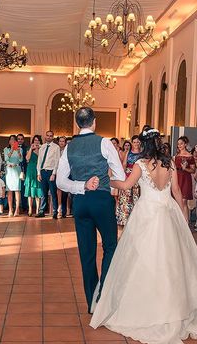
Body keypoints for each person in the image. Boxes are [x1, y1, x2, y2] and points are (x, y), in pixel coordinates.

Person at [90, 128, 197, 344]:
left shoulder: (141, 164)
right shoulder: (170, 163)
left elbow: (125, 186)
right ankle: (172, 307)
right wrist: (183, 220)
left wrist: (108, 180)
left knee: (143, 261)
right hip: (167, 212)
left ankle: (147, 307)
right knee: (170, 264)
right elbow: (178, 194)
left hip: (146, 214)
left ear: (144, 145)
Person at [56, 107, 126, 314]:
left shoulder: (69, 147)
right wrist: (103, 182)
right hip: (102, 201)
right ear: (94, 122)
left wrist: (82, 186)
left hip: (80, 203)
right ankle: (103, 294)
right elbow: (120, 176)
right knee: (111, 246)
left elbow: (60, 181)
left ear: (77, 124)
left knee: (86, 253)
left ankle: (91, 303)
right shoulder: (104, 142)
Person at [116, 135, 142, 226]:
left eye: (138, 142)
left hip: (138, 176)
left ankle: (137, 220)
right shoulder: (128, 152)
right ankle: (125, 218)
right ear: (132, 143)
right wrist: (123, 175)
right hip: (128, 174)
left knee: (137, 196)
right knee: (126, 197)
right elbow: (124, 164)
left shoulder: (142, 153)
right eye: (134, 142)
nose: (136, 144)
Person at [37, 130, 61, 218]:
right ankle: (42, 211)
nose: (49, 137)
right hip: (43, 171)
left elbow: (57, 161)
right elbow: (39, 160)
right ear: (45, 136)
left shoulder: (56, 147)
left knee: (53, 193)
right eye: (47, 135)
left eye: (51, 136)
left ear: (53, 137)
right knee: (43, 193)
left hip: (51, 172)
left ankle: (55, 212)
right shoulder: (42, 147)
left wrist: (54, 174)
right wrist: (38, 173)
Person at [174, 136, 196, 222]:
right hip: (177, 178)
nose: (179, 145)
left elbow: (193, 170)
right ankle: (178, 223)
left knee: (183, 202)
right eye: (178, 143)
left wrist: (185, 168)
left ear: (185, 144)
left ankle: (186, 223)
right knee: (177, 202)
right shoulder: (176, 156)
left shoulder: (190, 156)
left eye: (181, 143)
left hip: (186, 179)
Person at [4, 135, 23, 217]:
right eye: (10, 139)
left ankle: (17, 209)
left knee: (17, 190)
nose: (12, 141)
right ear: (9, 141)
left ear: (16, 142)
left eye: (14, 140)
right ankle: (10, 209)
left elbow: (21, 160)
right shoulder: (6, 149)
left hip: (17, 169)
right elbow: (6, 159)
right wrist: (11, 149)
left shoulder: (20, 149)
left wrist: (18, 151)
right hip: (9, 170)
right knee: (9, 190)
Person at [25, 135, 44, 216]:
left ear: (40, 142)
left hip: (38, 170)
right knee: (30, 190)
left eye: (38, 140)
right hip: (30, 170)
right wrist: (31, 149)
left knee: (38, 190)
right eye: (35, 140)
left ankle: (37, 209)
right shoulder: (29, 149)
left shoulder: (42, 149)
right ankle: (30, 209)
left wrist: (39, 148)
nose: (36, 141)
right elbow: (27, 158)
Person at [56, 136, 71, 217]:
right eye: (60, 141)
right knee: (58, 192)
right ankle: (59, 210)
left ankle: (64, 211)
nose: (61, 142)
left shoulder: (68, 151)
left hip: (66, 173)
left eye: (63, 141)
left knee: (65, 192)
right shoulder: (55, 150)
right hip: (57, 171)